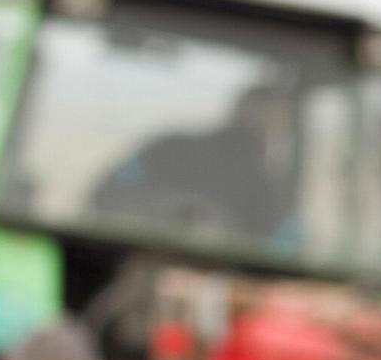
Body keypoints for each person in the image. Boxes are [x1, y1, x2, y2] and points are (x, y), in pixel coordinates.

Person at [88, 81, 303, 244]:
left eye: (276, 125)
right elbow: (106, 195)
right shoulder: (169, 150)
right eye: (266, 121)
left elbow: (286, 245)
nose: (268, 131)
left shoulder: (268, 189)